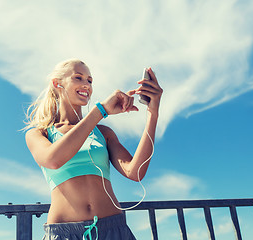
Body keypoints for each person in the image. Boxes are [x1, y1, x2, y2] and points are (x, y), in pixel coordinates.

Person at [24, 59, 163, 239]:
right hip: (64, 234)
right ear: (57, 83)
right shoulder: (39, 133)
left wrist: (153, 113)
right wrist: (100, 111)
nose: (86, 85)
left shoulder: (104, 133)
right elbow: (53, 159)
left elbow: (135, 172)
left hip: (113, 230)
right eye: (78, 77)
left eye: (90, 80)